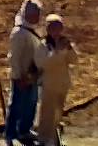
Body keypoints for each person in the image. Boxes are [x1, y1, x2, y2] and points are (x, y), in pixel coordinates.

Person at [6, 0, 48, 146]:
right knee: (17, 105)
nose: (37, 17)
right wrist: (18, 77)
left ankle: (25, 130)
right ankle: (10, 134)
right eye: (35, 14)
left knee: (31, 104)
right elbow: (14, 58)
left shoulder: (33, 31)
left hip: (33, 75)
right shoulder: (19, 33)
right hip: (21, 77)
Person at [37, 14, 79, 146]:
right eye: (53, 28)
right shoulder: (43, 45)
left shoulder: (64, 44)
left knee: (57, 114)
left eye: (58, 28)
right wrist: (58, 53)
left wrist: (69, 49)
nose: (56, 31)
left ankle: (55, 139)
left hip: (62, 84)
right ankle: (44, 140)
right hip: (48, 85)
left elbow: (74, 61)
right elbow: (42, 63)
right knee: (46, 115)